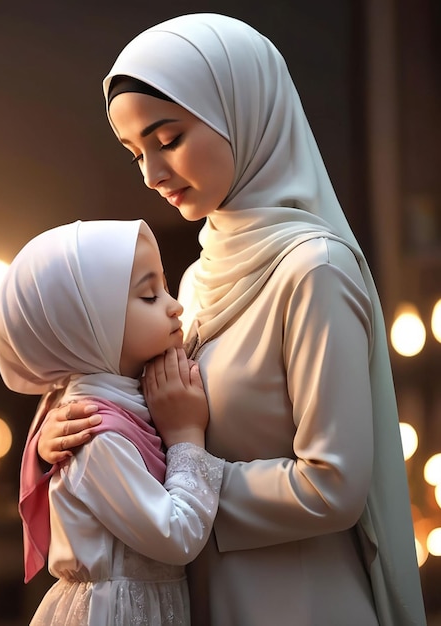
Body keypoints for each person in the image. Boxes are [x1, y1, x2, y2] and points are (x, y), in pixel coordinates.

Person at [35, 13, 426, 626]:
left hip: (300, 604)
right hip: (204, 597)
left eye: (168, 139)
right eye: (136, 152)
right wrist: (70, 431)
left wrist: (185, 472)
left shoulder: (313, 270)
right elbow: (155, 416)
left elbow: (333, 487)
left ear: (244, 111)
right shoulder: (196, 277)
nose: (151, 173)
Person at [0, 218, 224, 625]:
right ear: (88, 328)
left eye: (164, 288)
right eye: (149, 296)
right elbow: (177, 533)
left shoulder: (117, 402)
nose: (175, 305)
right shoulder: (93, 433)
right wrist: (187, 435)